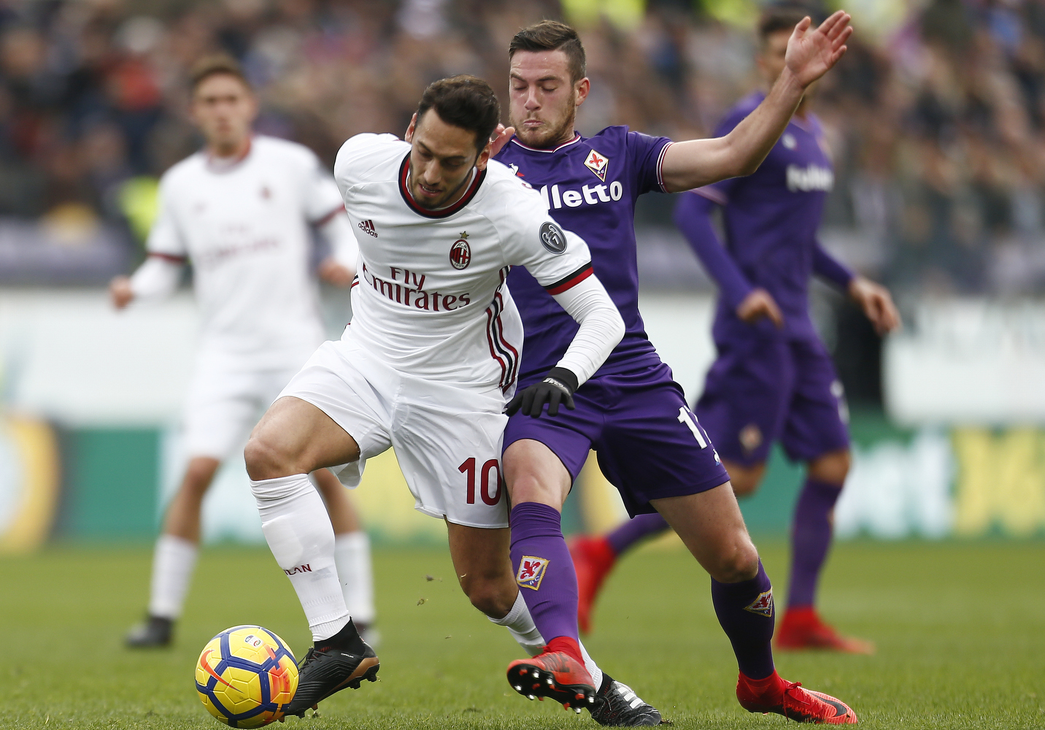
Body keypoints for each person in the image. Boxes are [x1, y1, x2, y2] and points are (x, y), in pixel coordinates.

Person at [242, 74, 658, 725]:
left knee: (489, 589)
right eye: (424, 152)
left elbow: (602, 317)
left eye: (452, 161)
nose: (431, 173)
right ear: (409, 129)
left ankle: (598, 685)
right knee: (268, 453)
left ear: (487, 153)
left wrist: (567, 376)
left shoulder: (511, 211)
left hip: (461, 394)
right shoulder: (358, 163)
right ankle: (337, 641)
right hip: (367, 359)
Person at [493, 14, 860, 724]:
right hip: (546, 382)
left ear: (580, 92)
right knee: (532, 483)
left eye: (546, 86)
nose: (530, 100)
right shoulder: (487, 171)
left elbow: (731, 155)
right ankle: (564, 649)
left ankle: (761, 683)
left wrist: (787, 84)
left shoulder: (620, 154)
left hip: (631, 375)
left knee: (732, 556)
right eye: (518, 87)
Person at [571, 7, 900, 655]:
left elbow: (799, 240)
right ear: (762, 62)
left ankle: (802, 615)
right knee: (739, 479)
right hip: (756, 326)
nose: (792, 63)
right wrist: (740, 289)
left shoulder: (817, 137)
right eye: (779, 53)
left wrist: (852, 281)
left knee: (833, 461)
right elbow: (695, 216)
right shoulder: (750, 124)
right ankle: (598, 551)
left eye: (799, 52)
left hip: (799, 323)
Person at [111, 55, 376, 649]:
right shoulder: (180, 185)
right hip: (223, 354)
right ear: (195, 112)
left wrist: (344, 259)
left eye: (232, 99)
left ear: (249, 105)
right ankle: (160, 615)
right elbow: (163, 266)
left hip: (293, 348)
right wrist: (136, 289)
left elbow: (338, 222)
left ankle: (359, 612)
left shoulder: (288, 165)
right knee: (198, 471)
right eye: (210, 102)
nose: (222, 111)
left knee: (325, 478)